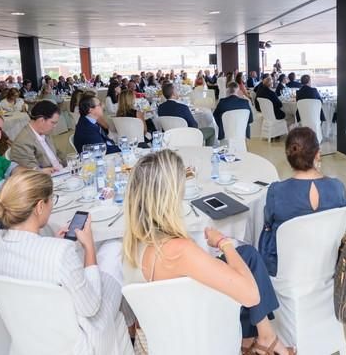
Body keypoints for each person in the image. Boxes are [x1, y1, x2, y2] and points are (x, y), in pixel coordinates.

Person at [122, 150, 296, 355]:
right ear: (170, 196)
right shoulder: (179, 251)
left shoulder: (130, 245)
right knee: (245, 256)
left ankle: (254, 341)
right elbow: (251, 295)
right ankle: (262, 340)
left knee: (246, 255)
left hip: (158, 341)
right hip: (199, 335)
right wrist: (224, 242)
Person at [0, 170, 133, 355]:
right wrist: (89, 247)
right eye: (52, 199)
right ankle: (133, 327)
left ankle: (129, 328)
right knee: (114, 249)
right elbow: (91, 308)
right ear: (40, 206)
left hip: (28, 335)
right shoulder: (58, 252)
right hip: (80, 342)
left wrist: (61, 247)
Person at [259, 127, 346, 276]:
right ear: (318, 154)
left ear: (289, 157)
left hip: (284, 268)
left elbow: (268, 224)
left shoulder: (276, 191)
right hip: (327, 264)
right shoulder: (337, 187)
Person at [10, 101, 66, 172]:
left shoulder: (45, 132)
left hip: (61, 172)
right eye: (53, 122)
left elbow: (57, 153)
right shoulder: (23, 142)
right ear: (42, 120)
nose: (55, 126)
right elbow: (32, 173)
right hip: (47, 179)